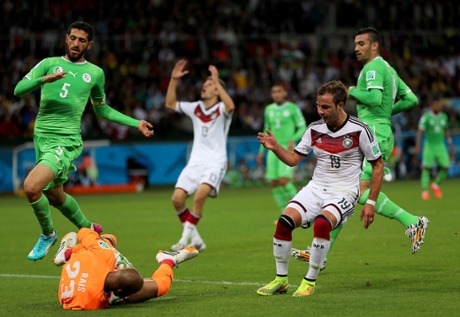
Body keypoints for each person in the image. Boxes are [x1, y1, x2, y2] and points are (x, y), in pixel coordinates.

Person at [13, 21, 154, 261]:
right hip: (42, 139)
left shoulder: (95, 73)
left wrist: (135, 123)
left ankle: (48, 234)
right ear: (66, 38)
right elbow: (18, 89)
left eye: (82, 40)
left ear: (90, 44)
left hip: (65, 141)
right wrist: (42, 80)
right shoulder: (48, 64)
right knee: (56, 196)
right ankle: (90, 228)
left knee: (31, 187)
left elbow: (102, 110)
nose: (76, 43)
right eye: (73, 38)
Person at [292, 27, 429, 268]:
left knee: (353, 192)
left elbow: (375, 100)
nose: (356, 48)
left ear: (375, 45)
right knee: (347, 193)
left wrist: (352, 91)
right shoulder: (389, 68)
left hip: (372, 132)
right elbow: (411, 100)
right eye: (355, 44)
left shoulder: (373, 68)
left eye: (361, 43)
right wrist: (386, 115)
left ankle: (412, 221)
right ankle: (319, 254)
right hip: (380, 129)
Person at [257, 80, 384, 297]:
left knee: (322, 224)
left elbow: (378, 165)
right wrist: (276, 147)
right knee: (284, 223)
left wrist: (371, 202)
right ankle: (281, 281)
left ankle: (309, 281)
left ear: (341, 106)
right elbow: (293, 160)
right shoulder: (314, 129)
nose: (320, 111)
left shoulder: (360, 130)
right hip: (316, 188)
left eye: (325, 107)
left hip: (344, 191)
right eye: (318, 106)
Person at [164, 59, 235, 251]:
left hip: (215, 162)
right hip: (195, 162)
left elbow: (230, 106)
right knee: (177, 199)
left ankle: (183, 239)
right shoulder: (195, 108)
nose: (205, 86)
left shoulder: (222, 109)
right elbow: (170, 103)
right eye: (205, 83)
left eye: (210, 84)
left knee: (199, 197)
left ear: (217, 91)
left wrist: (217, 80)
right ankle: (196, 239)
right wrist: (173, 79)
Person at [54, 228, 199, 310]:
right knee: (162, 285)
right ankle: (168, 261)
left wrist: (94, 230)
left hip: (86, 266)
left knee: (108, 239)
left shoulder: (102, 254)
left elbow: (83, 231)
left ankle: (66, 253)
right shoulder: (99, 298)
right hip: (81, 290)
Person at [256, 83, 307, 221]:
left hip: (286, 147)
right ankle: (284, 214)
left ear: (285, 93)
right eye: (274, 92)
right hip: (271, 149)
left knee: (284, 180)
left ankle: (302, 210)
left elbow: (303, 126)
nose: (276, 94)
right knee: (274, 182)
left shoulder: (293, 108)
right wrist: (261, 151)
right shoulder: (268, 109)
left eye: (279, 91)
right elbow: (266, 130)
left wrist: (294, 138)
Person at [414, 96, 455, 200]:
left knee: (446, 166)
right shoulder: (426, 117)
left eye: (440, 105)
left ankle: (435, 185)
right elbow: (420, 131)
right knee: (426, 168)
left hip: (440, 145)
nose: (439, 107)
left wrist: (450, 144)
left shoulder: (444, 117)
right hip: (429, 145)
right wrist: (418, 145)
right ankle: (424, 191)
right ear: (432, 106)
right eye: (437, 105)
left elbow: (446, 131)